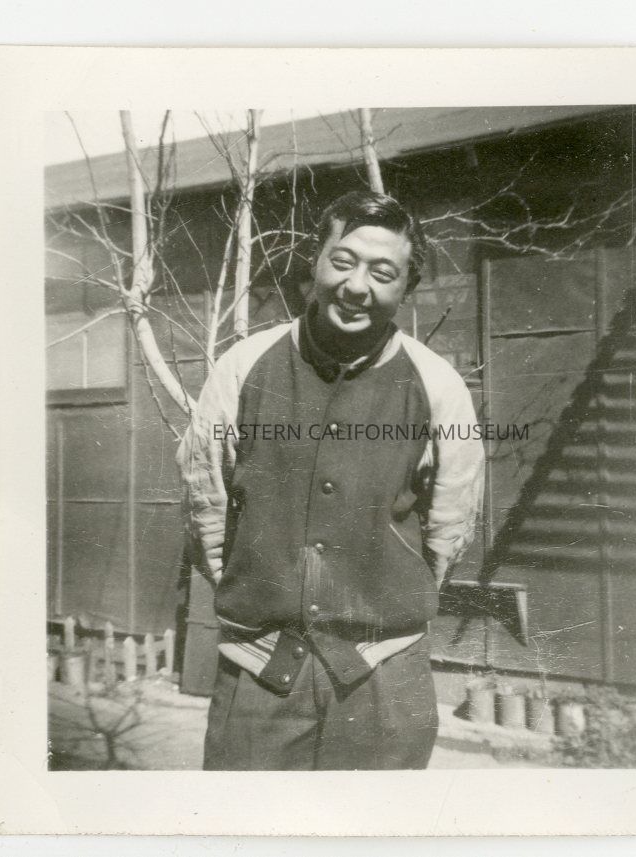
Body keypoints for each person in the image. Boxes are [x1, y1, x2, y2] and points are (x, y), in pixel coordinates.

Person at [176, 190, 485, 770]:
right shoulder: (244, 367)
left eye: (383, 273)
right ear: (315, 262)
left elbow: (450, 522)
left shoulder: (437, 384)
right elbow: (205, 501)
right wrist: (255, 594)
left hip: (386, 674)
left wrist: (388, 600)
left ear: (407, 288)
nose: (356, 286)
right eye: (342, 262)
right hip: (260, 668)